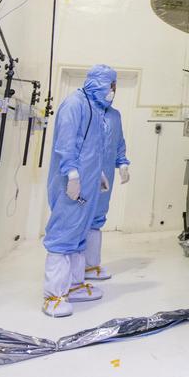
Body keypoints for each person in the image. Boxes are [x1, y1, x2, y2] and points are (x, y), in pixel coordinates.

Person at [42, 66, 117, 317]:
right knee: (64, 235)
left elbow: (94, 149)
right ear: (98, 84)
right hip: (71, 184)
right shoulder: (74, 104)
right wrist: (72, 175)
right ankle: (53, 296)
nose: (113, 91)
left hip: (88, 182)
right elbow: (66, 144)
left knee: (78, 236)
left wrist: (99, 175)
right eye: (111, 86)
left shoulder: (96, 110)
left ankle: (72, 285)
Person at [84, 88, 130, 282]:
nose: (112, 91)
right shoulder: (84, 110)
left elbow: (118, 142)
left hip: (106, 176)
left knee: (97, 218)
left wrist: (123, 164)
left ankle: (91, 266)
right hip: (84, 174)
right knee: (79, 219)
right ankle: (73, 271)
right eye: (109, 86)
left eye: (115, 87)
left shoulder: (114, 116)